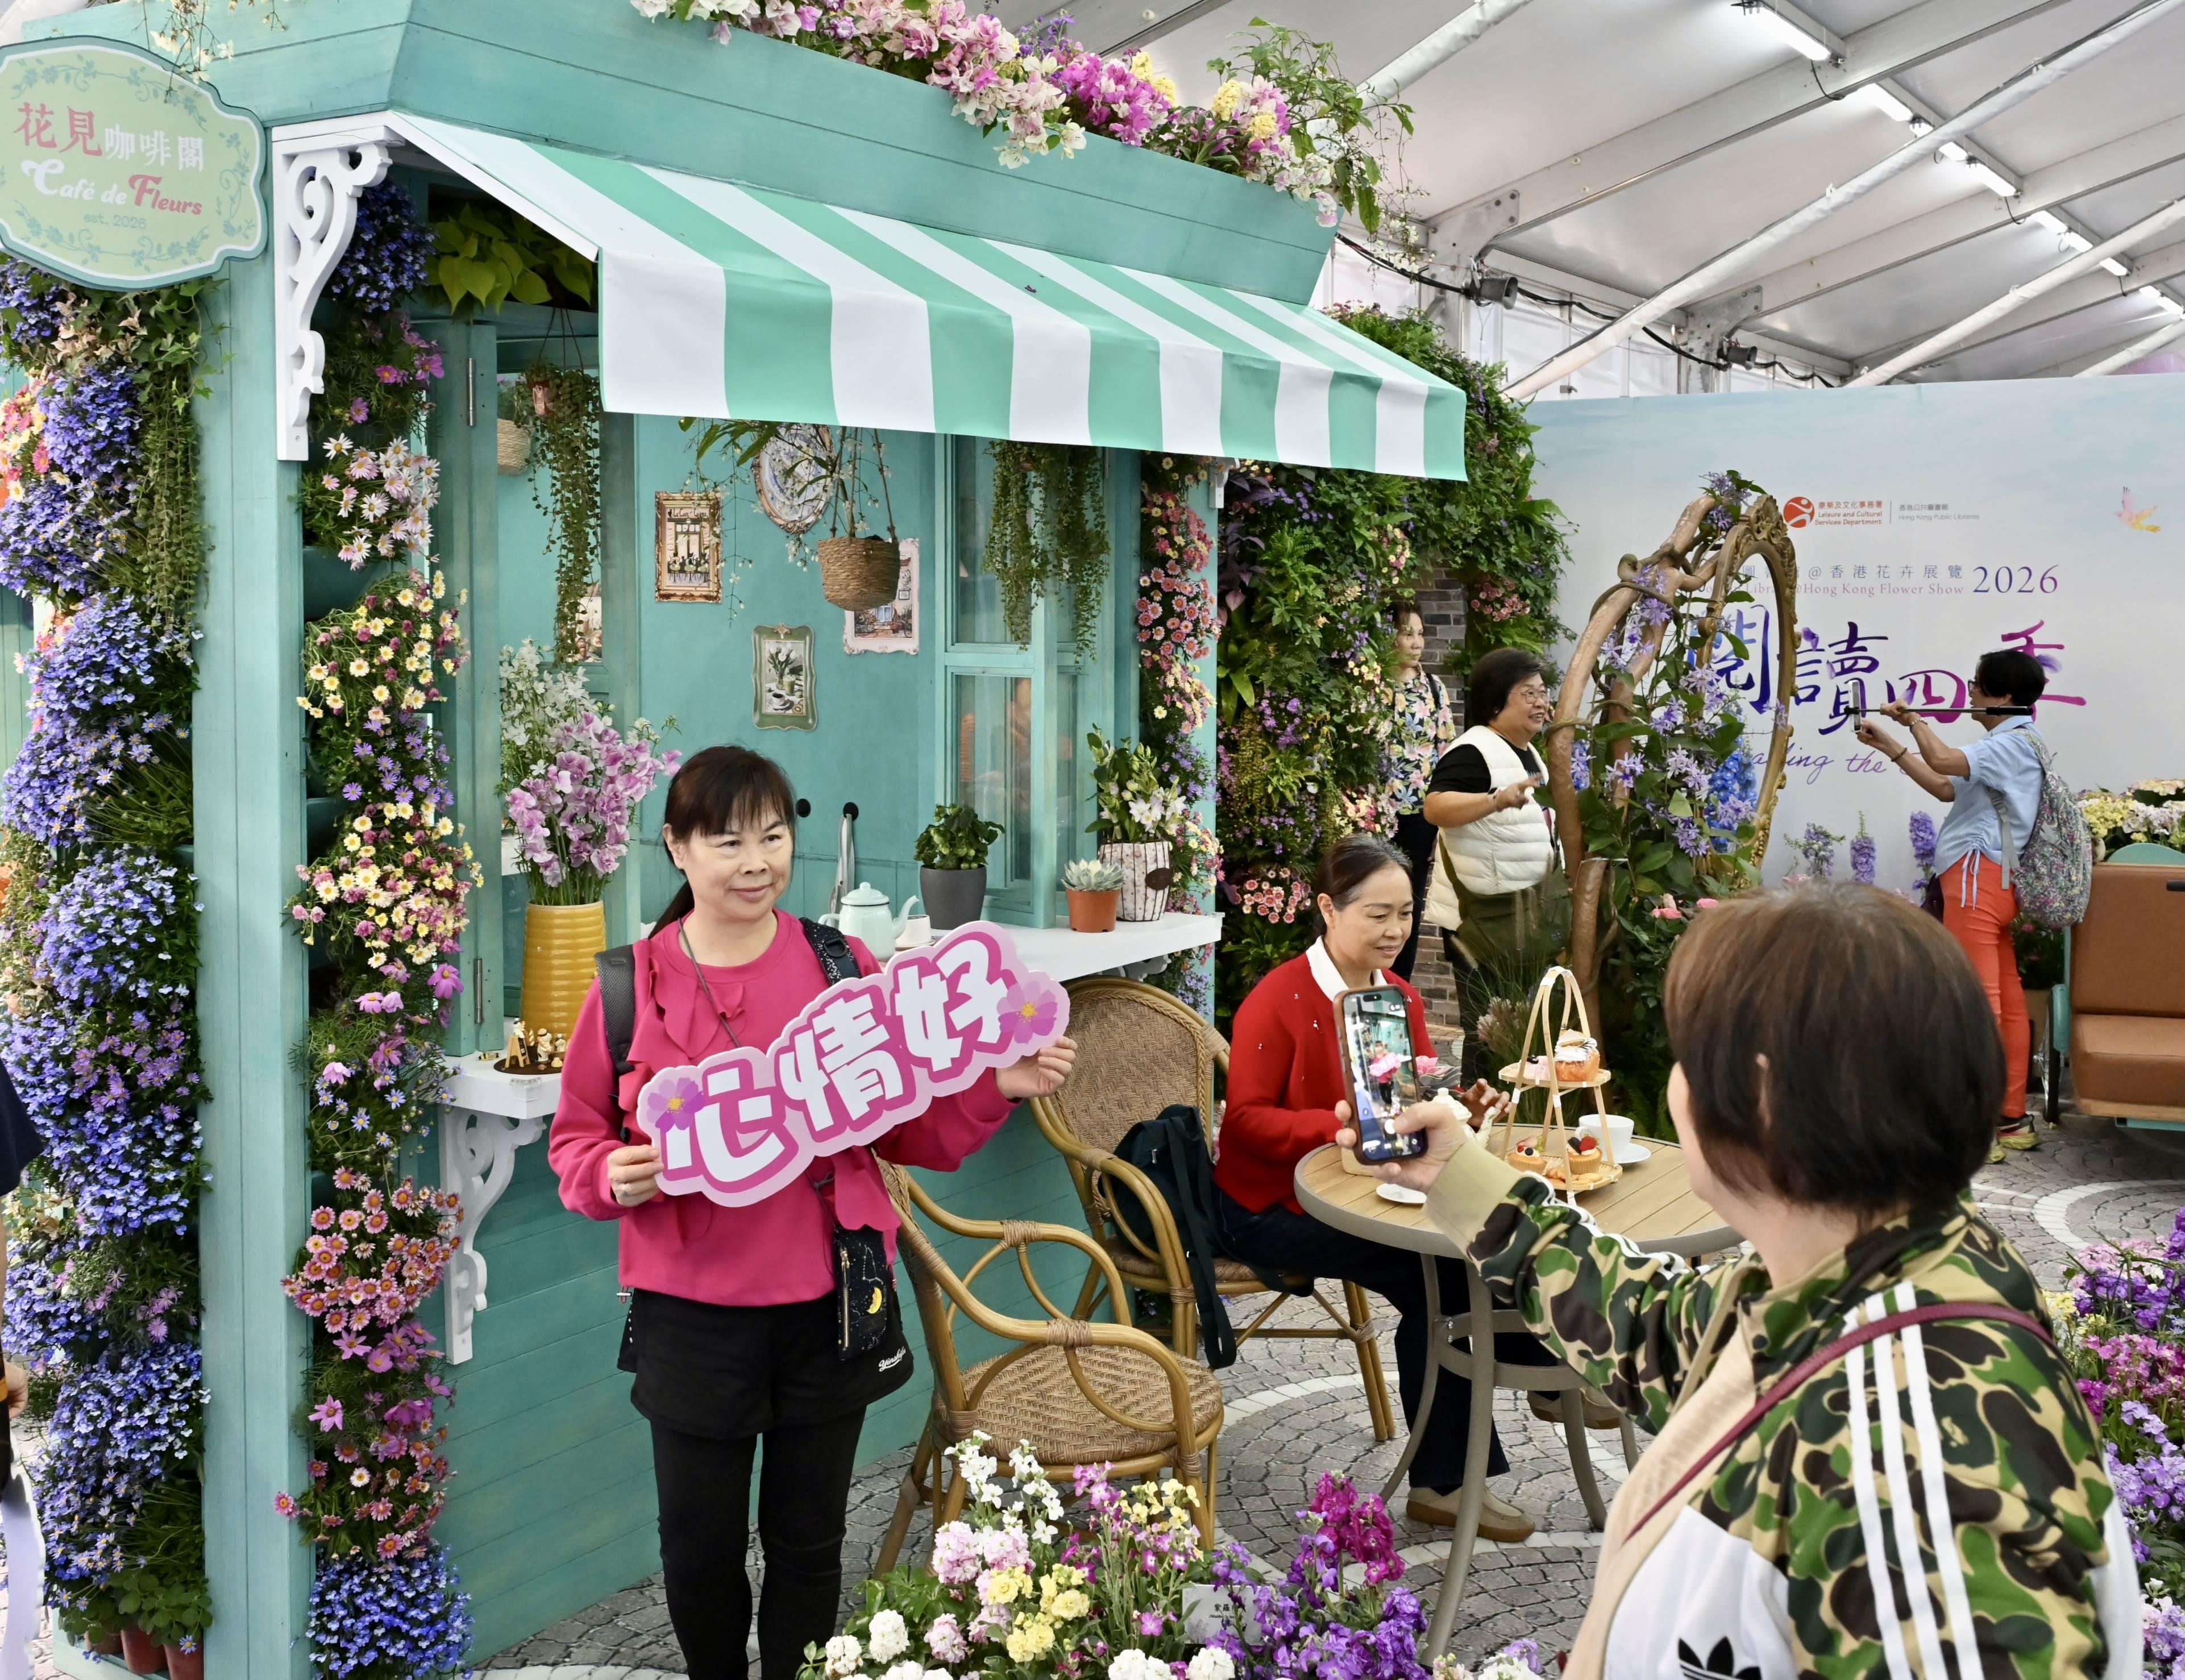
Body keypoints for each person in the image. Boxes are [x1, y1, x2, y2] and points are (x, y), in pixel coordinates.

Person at [1346, 883, 2132, 1680]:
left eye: (1687, 1053)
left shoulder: (1907, 1445)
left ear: (1756, 1096)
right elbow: (1654, 1329)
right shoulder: (1870, 1273)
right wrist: (1460, 1176)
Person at [549, 745, 1076, 1680]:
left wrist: (995, 1082)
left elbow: (913, 1129)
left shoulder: (842, 968)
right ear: (675, 848)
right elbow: (576, 1138)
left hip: (828, 1299)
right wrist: (608, 1176)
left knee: (808, 1543)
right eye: (726, 840)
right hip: (692, 1312)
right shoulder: (629, 986)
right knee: (699, 1550)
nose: (756, 860)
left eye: (773, 835)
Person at [1212, 833, 1557, 1540]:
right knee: (1438, 1271)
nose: (1395, 931)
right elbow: (1245, 1122)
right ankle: (1465, 1458)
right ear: (1326, 910)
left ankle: (1488, 1428)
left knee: (1464, 1247)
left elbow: (1415, 1094)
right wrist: (1335, 1129)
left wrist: (1464, 1103)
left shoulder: (1398, 997)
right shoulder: (1276, 998)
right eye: (1377, 914)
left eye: (1404, 914)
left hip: (1374, 1190)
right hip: (1269, 1205)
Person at [1854, 648, 2049, 1157]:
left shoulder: (2010, 744)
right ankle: (2009, 1120)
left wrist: (1914, 719)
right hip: (1994, 882)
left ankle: (1978, 1125)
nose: (1971, 694)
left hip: (1975, 877)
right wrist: (1892, 747)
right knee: (2004, 1002)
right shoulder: (2010, 744)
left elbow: (1942, 761)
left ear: (2004, 697)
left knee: (1974, 1002)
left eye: (1978, 686)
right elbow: (1944, 787)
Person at [1422, 647, 1569, 1080]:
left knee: (1519, 1032)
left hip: (1524, 918)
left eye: (1543, 692)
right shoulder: (1473, 750)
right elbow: (1435, 807)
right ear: (1495, 702)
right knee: (1487, 1033)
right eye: (1529, 693)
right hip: (1481, 925)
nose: (1541, 702)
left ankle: (1516, 1120)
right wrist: (1495, 800)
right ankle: (1481, 1116)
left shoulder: (1528, 753)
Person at [1380, 601, 1456, 982]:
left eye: (1420, 633)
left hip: (1420, 815)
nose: (1416, 642)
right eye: (1407, 632)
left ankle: (1400, 986)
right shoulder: (1374, 686)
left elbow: (1447, 751)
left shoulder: (1434, 689)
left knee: (1408, 901)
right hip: (1378, 813)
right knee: (1375, 897)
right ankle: (1369, 982)